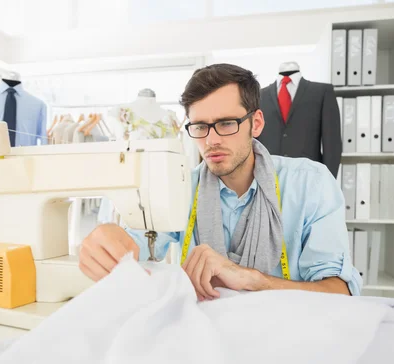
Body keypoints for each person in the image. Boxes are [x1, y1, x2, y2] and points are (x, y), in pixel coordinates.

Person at [79, 64, 361, 301]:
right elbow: (137, 242)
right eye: (200, 127)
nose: (211, 140)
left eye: (227, 123)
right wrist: (109, 240)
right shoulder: (180, 189)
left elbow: (341, 293)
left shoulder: (311, 184)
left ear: (257, 123)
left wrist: (253, 280)